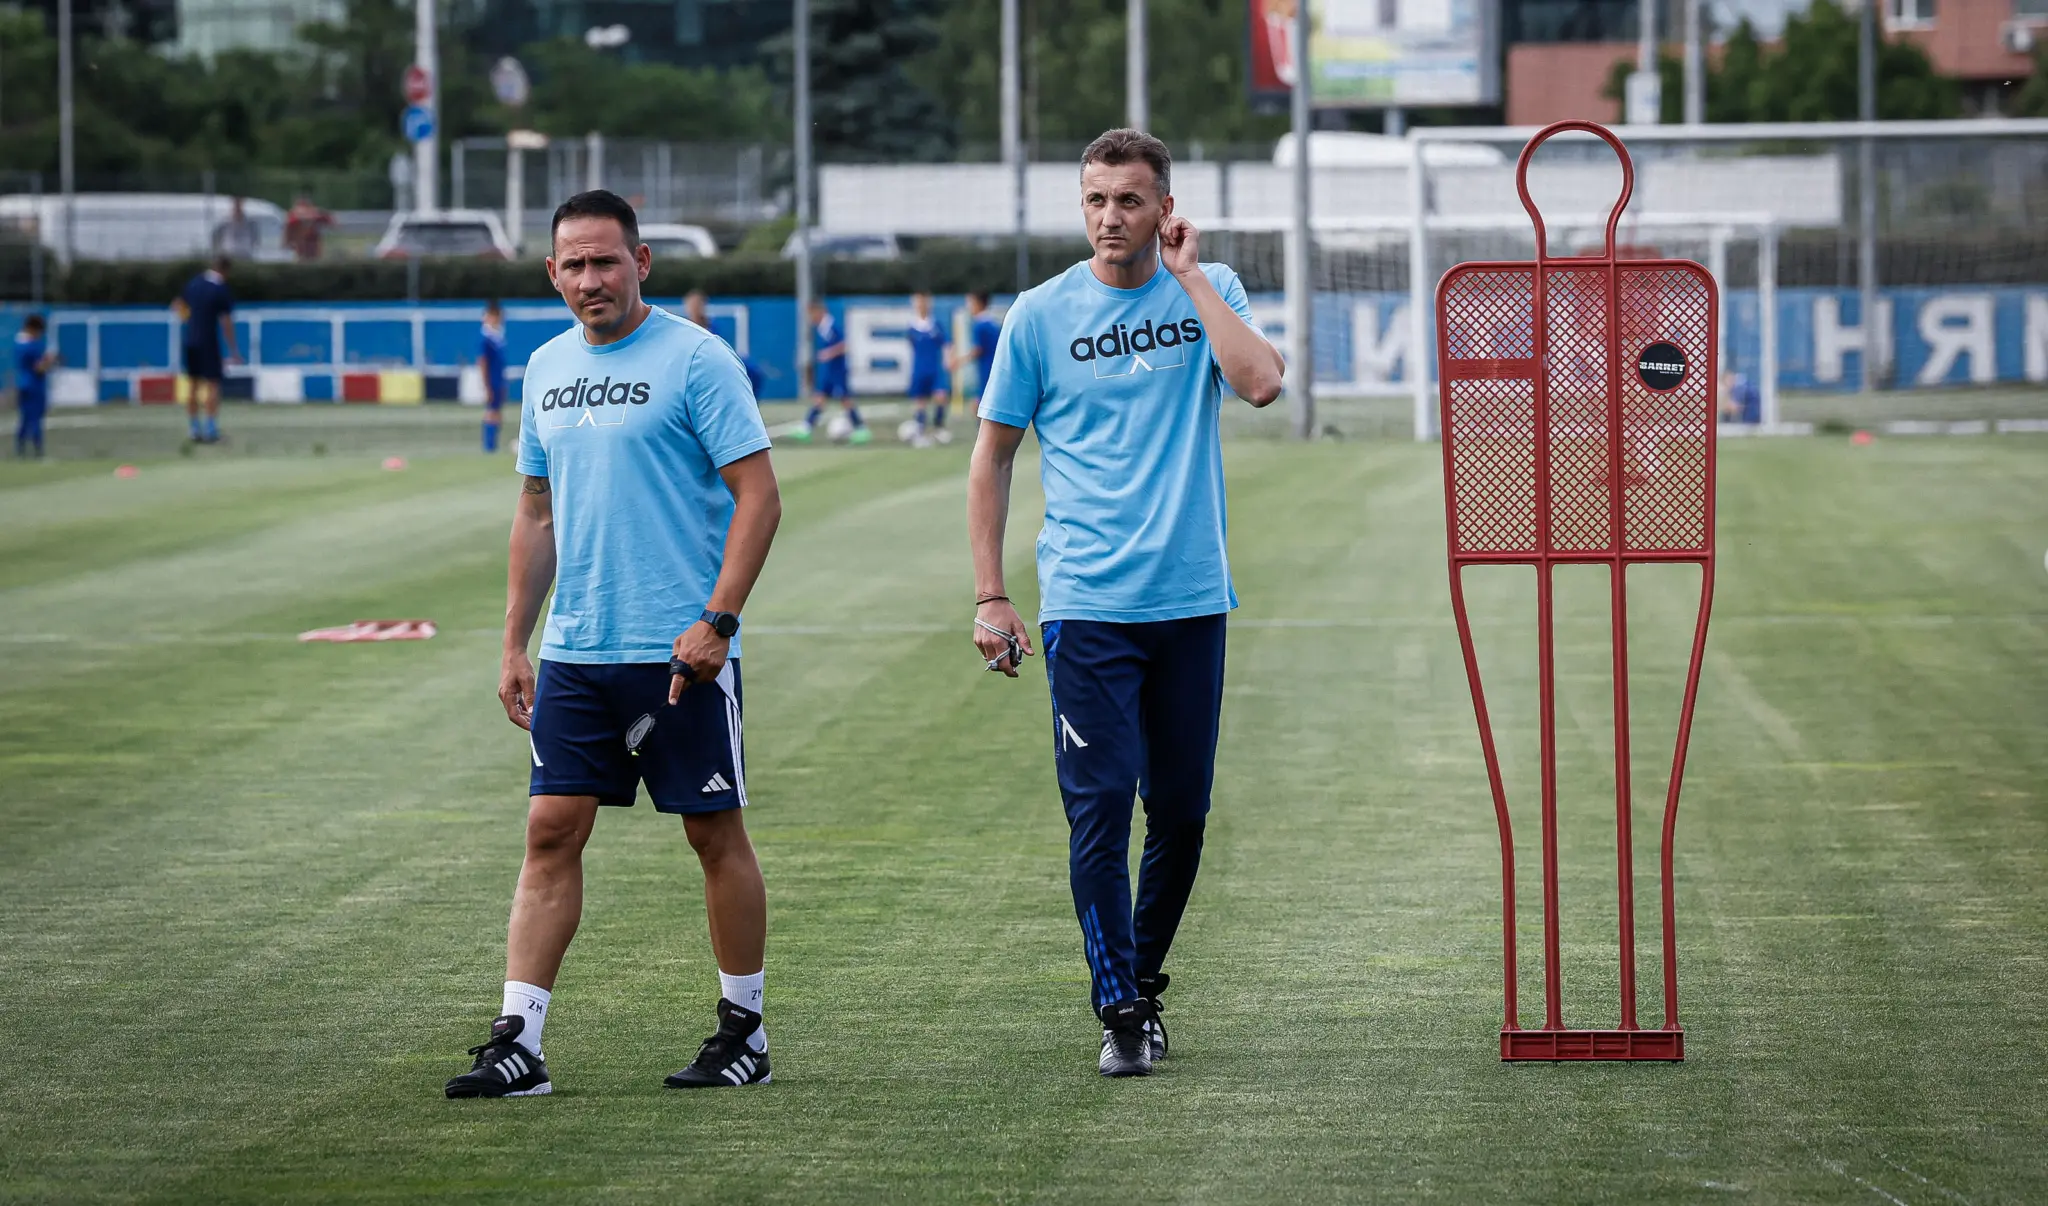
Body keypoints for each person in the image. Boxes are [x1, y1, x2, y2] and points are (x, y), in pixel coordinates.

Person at [445, 190, 784, 1099]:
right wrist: (515, 642)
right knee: (550, 831)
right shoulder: (545, 368)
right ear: (550, 273)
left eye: (605, 260)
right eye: (574, 264)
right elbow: (536, 512)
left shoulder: (697, 359)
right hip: (576, 651)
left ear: (642, 262)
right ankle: (519, 1043)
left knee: (713, 835)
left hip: (678, 651)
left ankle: (744, 1032)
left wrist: (717, 622)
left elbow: (759, 497)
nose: (590, 278)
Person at [965, 129, 1283, 1079]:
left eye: (1130, 201)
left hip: (1189, 600)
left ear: (1164, 208)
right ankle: (1121, 1008)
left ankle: (1141, 980)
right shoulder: (1038, 315)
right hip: (1087, 603)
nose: (1110, 218)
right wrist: (991, 593)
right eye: (1097, 200)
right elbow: (992, 457)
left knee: (1181, 815)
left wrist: (1188, 280)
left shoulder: (1210, 289)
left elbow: (1262, 385)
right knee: (1101, 809)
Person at [177, 257, 240, 444]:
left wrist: (190, 321)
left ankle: (194, 429)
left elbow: (178, 306)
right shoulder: (220, 289)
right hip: (208, 342)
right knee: (213, 385)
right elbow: (226, 321)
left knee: (192, 385)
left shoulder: (194, 283)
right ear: (226, 270)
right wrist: (233, 349)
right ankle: (211, 430)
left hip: (190, 340)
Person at [791, 300, 868, 444]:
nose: (810, 318)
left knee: (845, 399)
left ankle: (861, 429)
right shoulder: (822, 327)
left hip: (837, 370)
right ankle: (806, 427)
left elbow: (844, 346)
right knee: (820, 398)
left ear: (819, 311)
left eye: (811, 314)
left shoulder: (831, 326)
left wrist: (828, 353)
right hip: (829, 370)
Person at [684, 289, 765, 400]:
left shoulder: (712, 325)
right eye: (692, 305)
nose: (695, 308)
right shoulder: (684, 327)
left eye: (698, 304)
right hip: (697, 365)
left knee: (752, 371)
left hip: (717, 361)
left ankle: (750, 401)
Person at [900, 290, 951, 447]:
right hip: (919, 369)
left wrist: (948, 359)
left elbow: (946, 344)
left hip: (934, 369)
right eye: (918, 301)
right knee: (920, 401)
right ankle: (920, 432)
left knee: (941, 397)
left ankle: (938, 427)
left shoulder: (936, 325)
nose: (921, 305)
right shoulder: (912, 327)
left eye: (924, 301)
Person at [13, 315, 56, 459]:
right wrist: (49, 361)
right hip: (34, 385)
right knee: (36, 418)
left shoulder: (18, 343)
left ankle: (20, 448)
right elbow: (39, 368)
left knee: (25, 418)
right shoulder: (32, 346)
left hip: (23, 383)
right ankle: (38, 449)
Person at [961, 291, 1002, 417]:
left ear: (978, 303)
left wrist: (958, 362)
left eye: (970, 303)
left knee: (979, 405)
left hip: (986, 369)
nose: (968, 307)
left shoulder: (979, 325)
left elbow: (977, 350)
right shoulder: (993, 323)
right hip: (998, 367)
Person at [478, 300, 508, 453]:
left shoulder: (498, 336)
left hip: (498, 379)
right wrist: (486, 385)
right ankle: (489, 446)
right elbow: (483, 362)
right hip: (492, 380)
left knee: (497, 411)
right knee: (491, 411)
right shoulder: (486, 337)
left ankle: (493, 444)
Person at [284, 195, 334, 262]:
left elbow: (331, 222)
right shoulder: (294, 218)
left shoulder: (317, 216)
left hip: (313, 250)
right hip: (301, 250)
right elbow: (288, 231)